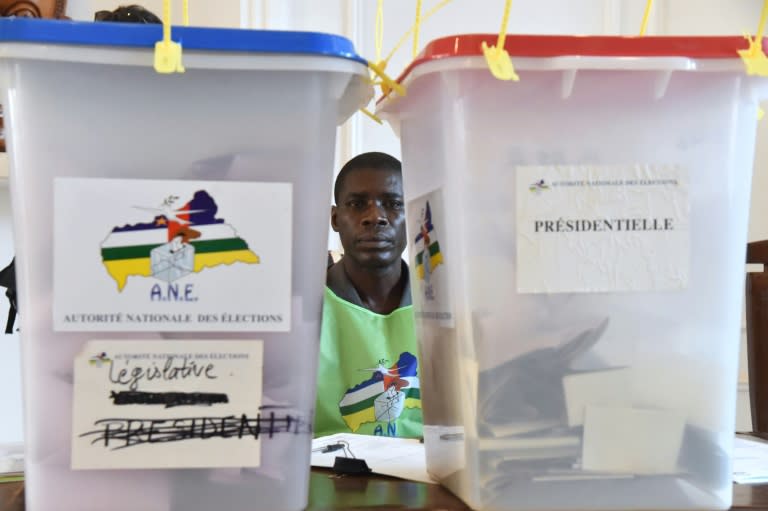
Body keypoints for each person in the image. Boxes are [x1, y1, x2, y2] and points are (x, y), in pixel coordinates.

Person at [314, 152, 422, 439]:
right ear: (335, 219)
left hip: (426, 479)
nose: (375, 217)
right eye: (357, 204)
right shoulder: (303, 310)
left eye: (393, 204)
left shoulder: (445, 309)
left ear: (411, 215)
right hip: (326, 478)